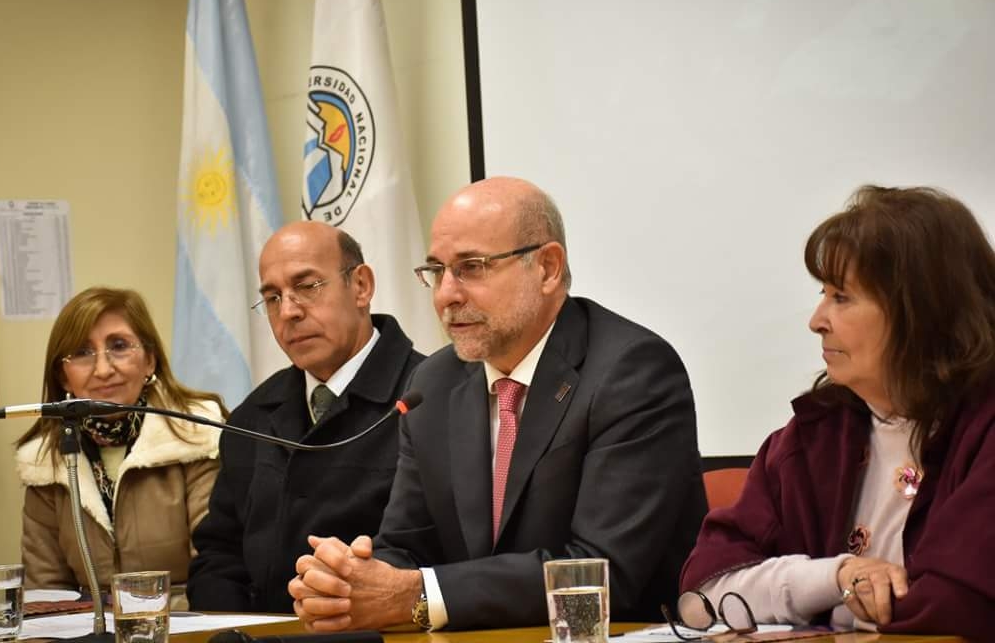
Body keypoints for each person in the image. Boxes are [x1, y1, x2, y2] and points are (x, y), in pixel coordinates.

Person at [289, 177, 708, 631]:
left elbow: (600, 575)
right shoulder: (434, 383)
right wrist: (350, 584)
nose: (446, 294)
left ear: (547, 268)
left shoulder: (631, 371)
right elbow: (408, 548)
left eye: (472, 267)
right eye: (436, 271)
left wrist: (416, 596)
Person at [679, 185, 995, 639]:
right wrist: (837, 576)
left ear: (921, 310)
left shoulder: (984, 429)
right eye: (823, 294)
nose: (817, 320)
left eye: (841, 297)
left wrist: (824, 607)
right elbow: (703, 594)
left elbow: (960, 607)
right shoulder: (814, 435)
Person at [187, 221, 425, 613]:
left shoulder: (429, 398)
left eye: (308, 286)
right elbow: (219, 555)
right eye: (272, 297)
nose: (288, 311)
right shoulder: (252, 416)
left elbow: (438, 554)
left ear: (361, 286)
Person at [15, 286, 227, 603]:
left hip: (187, 619)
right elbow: (46, 592)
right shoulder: (45, 462)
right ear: (63, 376)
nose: (103, 369)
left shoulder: (196, 434)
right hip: (86, 626)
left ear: (150, 360)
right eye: (82, 352)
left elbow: (217, 567)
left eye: (119, 346)